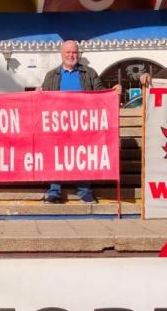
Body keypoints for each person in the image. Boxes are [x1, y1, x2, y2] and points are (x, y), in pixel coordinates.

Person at [39, 39, 119, 204]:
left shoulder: (89, 73)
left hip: (83, 124)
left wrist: (113, 92)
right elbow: (44, 99)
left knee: (82, 156)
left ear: (78, 54)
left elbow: (100, 93)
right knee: (57, 157)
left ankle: (84, 190)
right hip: (58, 125)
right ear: (62, 55)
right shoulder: (51, 75)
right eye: (68, 52)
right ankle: (54, 191)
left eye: (74, 52)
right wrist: (38, 93)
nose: (71, 55)